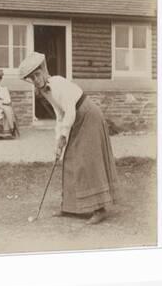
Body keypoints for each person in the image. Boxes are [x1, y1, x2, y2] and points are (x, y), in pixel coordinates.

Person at [18, 52, 118, 224]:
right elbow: (59, 115)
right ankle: (70, 207)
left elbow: (70, 111)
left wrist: (64, 134)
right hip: (75, 118)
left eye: (37, 74)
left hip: (88, 115)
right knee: (70, 159)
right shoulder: (44, 91)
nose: (36, 79)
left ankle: (100, 209)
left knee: (87, 160)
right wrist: (58, 141)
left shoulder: (57, 83)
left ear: (43, 70)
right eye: (31, 78)